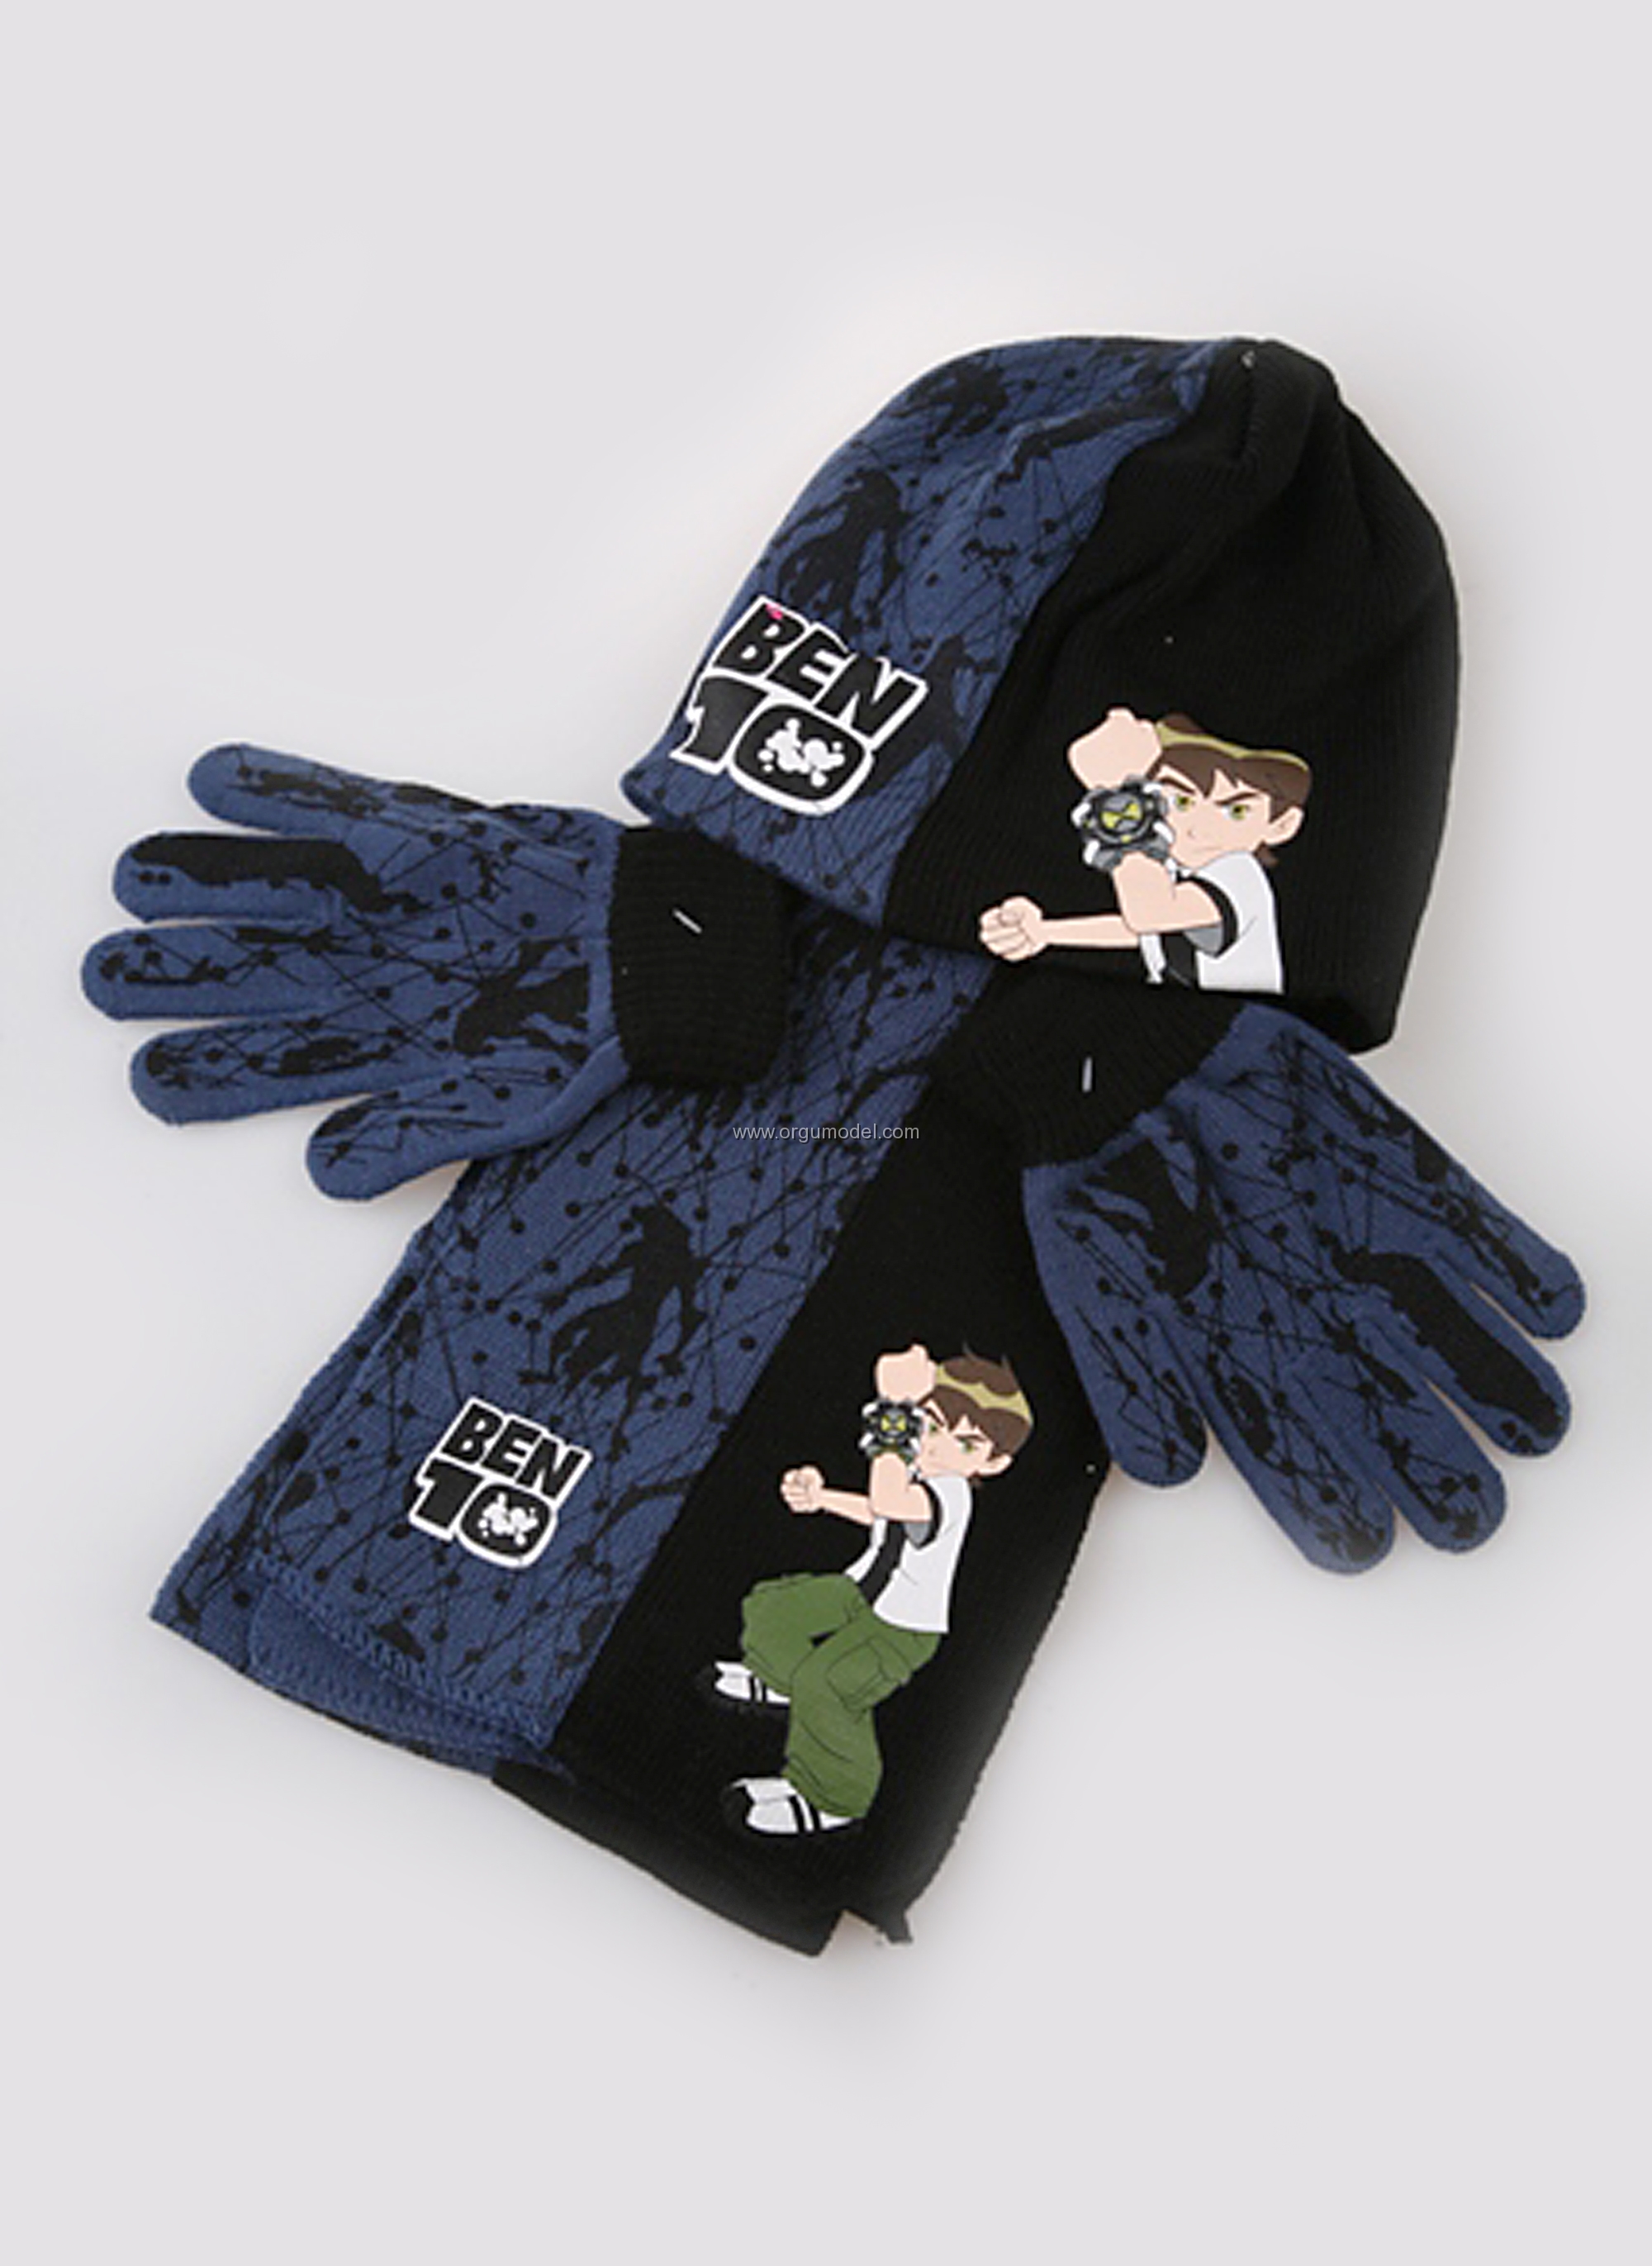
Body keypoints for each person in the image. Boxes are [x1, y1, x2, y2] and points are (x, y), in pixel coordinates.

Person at [708, 1342, 1032, 1836]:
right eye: (932, 1424)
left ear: (994, 1463)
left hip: (902, 1628)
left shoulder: (952, 1493)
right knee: (773, 1607)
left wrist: (895, 1406)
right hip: (862, 1591)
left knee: (830, 1686)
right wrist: (823, 1499)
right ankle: (783, 1684)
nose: (938, 1446)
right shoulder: (919, 1473)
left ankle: (834, 1797)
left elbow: (891, 1499)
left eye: (966, 1444)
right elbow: (882, 1514)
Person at [979, 706, 1312, 993]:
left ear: (1281, 825)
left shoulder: (1238, 872)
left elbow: (1151, 913)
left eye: (1236, 811)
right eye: (1181, 802)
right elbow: (1144, 929)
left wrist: (1119, 792)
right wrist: (1044, 933)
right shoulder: (1178, 872)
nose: (1199, 829)